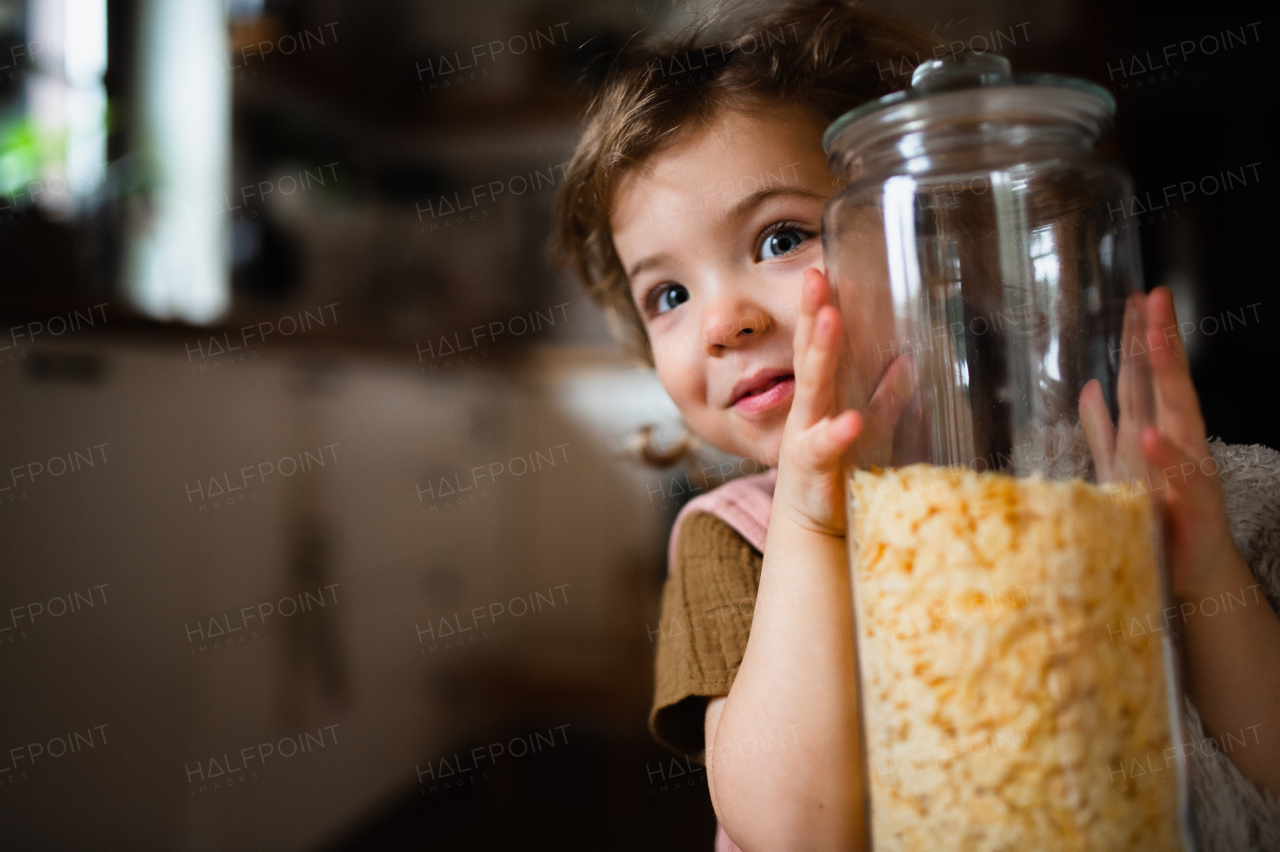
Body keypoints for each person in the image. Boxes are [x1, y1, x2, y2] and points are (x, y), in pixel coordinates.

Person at [551, 2, 1280, 849]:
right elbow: (795, 830)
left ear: (935, 245)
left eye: (780, 237)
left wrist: (1200, 573)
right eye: (667, 296)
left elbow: (1262, 772)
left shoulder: (1064, 494)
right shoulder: (733, 543)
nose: (722, 321)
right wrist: (809, 522)